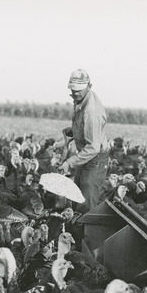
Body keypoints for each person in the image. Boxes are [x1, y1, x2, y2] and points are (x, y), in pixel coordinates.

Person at [58, 69, 109, 212]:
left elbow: (93, 147)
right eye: (73, 89)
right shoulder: (82, 99)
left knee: (86, 203)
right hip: (86, 157)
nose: (75, 93)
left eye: (79, 90)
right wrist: (74, 131)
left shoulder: (91, 112)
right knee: (77, 195)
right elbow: (87, 129)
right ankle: (76, 227)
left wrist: (69, 162)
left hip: (95, 159)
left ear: (89, 86)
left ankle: (85, 232)